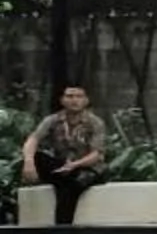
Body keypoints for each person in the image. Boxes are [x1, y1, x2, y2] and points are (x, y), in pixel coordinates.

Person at [20, 84, 108, 225]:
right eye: (70, 96)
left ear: (86, 100)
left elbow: (96, 154)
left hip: (87, 169)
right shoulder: (52, 120)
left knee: (69, 187)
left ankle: (62, 229)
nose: (74, 100)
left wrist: (74, 165)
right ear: (62, 100)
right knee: (38, 158)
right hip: (63, 167)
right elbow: (33, 139)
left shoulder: (95, 123)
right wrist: (28, 163)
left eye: (79, 96)